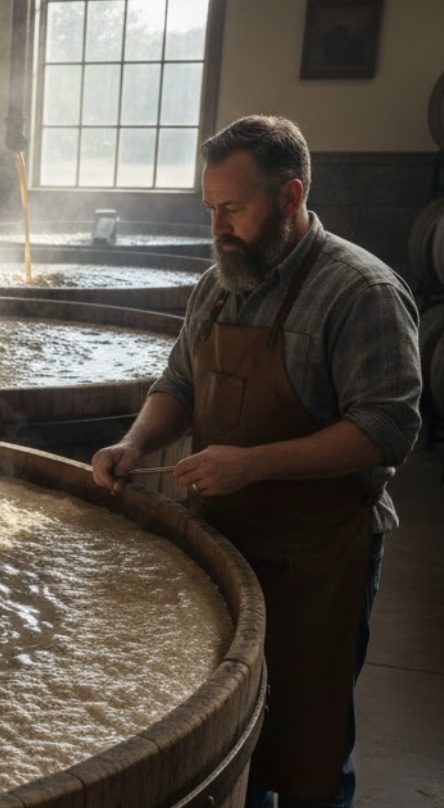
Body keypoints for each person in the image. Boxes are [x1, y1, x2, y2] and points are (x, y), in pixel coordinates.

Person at [92, 115, 421, 808]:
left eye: (233, 209)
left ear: (291, 197)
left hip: (318, 554)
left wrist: (254, 464)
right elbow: (177, 384)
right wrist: (135, 444)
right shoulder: (221, 283)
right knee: (229, 722)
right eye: (210, 210)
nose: (218, 228)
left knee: (309, 739)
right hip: (223, 537)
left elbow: (387, 428)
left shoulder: (361, 292)